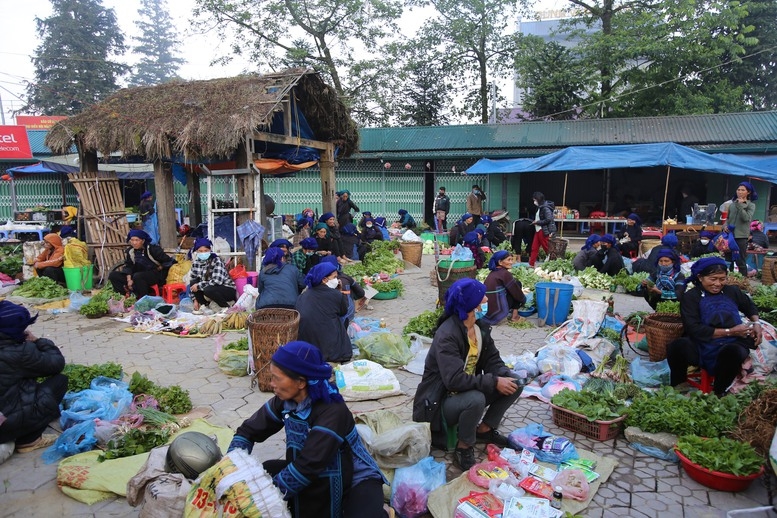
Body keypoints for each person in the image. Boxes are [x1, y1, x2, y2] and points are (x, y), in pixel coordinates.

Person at [227, 341, 388, 518]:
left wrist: (262, 498)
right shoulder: (284, 401)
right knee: (264, 470)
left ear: (301, 382)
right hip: (314, 472)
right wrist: (231, 467)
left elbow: (309, 465)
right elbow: (247, 432)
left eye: (277, 378)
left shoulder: (332, 411)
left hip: (353, 478)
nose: (271, 383)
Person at [412, 278, 522, 470]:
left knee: (516, 383)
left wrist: (504, 374)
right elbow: (454, 381)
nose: (487, 300)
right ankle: (464, 447)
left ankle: (484, 429)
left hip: (465, 388)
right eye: (482, 299)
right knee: (476, 399)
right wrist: (494, 381)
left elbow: (493, 361)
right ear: (470, 305)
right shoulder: (448, 334)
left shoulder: (480, 328)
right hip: (441, 400)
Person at [667, 257, 762, 396]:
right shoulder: (691, 297)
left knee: (733, 352)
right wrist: (730, 331)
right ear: (700, 277)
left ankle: (719, 390)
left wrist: (757, 324)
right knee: (676, 346)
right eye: (713, 279)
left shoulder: (732, 291)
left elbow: (749, 306)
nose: (718, 283)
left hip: (733, 342)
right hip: (703, 342)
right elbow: (694, 329)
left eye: (722, 279)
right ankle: (679, 384)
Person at [0, 300, 67, 453]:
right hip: (5, 427)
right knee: (59, 381)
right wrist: (38, 341)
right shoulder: (20, 352)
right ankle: (29, 440)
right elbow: (56, 363)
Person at [295, 263, 352, 363]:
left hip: (307, 345)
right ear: (324, 280)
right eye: (334, 277)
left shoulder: (303, 296)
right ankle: (340, 346)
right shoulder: (335, 294)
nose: (337, 280)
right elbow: (344, 311)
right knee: (344, 318)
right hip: (330, 350)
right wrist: (339, 292)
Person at [109, 229, 175, 298]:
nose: (134, 243)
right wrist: (129, 279)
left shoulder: (152, 249)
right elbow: (128, 266)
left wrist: (160, 268)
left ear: (143, 241)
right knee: (113, 275)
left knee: (138, 276)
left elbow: (168, 261)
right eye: (132, 240)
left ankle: (143, 298)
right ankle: (124, 296)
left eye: (137, 240)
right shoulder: (131, 251)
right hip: (136, 276)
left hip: (155, 275)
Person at [188, 238, 237, 313]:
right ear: (196, 251)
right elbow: (192, 281)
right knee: (193, 282)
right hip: (210, 289)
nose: (203, 253)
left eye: (205, 251)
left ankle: (225, 307)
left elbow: (217, 281)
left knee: (208, 289)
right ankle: (205, 306)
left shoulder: (216, 261)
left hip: (226, 290)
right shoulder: (196, 264)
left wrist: (198, 286)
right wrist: (195, 300)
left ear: (210, 250)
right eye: (200, 251)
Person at [482, 251, 526, 325]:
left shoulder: (493, 273)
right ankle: (515, 316)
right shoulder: (505, 273)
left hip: (488, 314)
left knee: (513, 285)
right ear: (500, 262)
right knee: (517, 285)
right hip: (498, 313)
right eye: (509, 260)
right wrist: (524, 300)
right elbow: (517, 293)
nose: (511, 262)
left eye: (512, 259)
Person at [727, 181, 757, 275]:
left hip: (741, 236)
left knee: (740, 260)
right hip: (730, 235)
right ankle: (728, 279)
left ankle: (743, 282)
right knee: (728, 259)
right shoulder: (732, 205)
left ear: (748, 192)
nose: (739, 192)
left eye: (742, 190)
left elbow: (746, 218)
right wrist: (725, 226)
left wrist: (740, 205)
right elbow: (728, 219)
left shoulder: (751, 205)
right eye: (738, 190)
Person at [528, 192, 556, 267]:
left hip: (543, 230)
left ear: (538, 199)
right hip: (538, 230)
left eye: (535, 200)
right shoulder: (539, 207)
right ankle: (531, 264)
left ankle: (553, 263)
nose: (534, 202)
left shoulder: (545, 208)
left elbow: (548, 219)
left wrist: (537, 222)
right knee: (534, 247)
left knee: (546, 248)